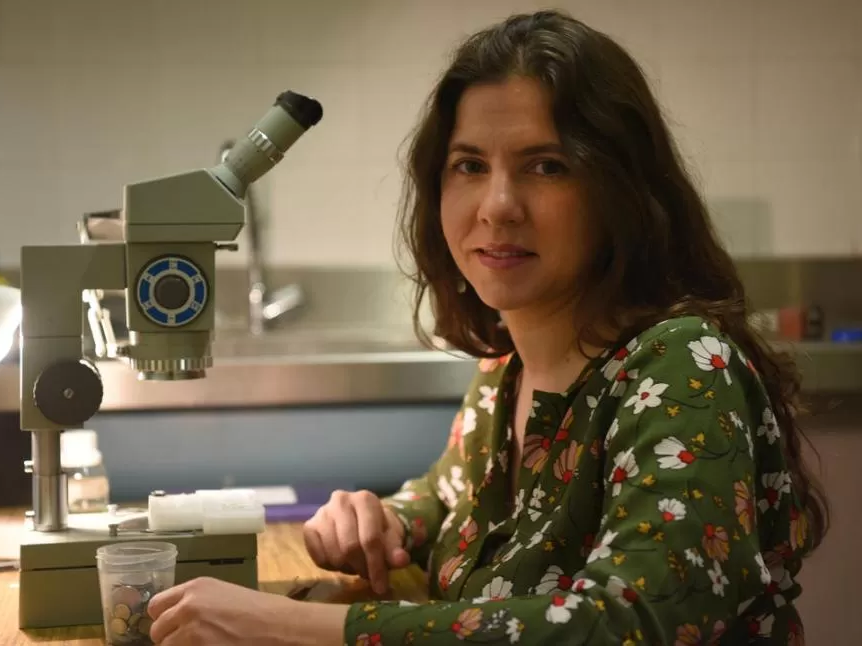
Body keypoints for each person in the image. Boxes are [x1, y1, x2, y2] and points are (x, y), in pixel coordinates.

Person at [144, 10, 828, 645]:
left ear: (619, 188)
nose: (498, 206)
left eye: (546, 166)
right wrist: (380, 521)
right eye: (470, 166)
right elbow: (445, 504)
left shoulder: (682, 365)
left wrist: (290, 626)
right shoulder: (508, 370)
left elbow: (627, 619)